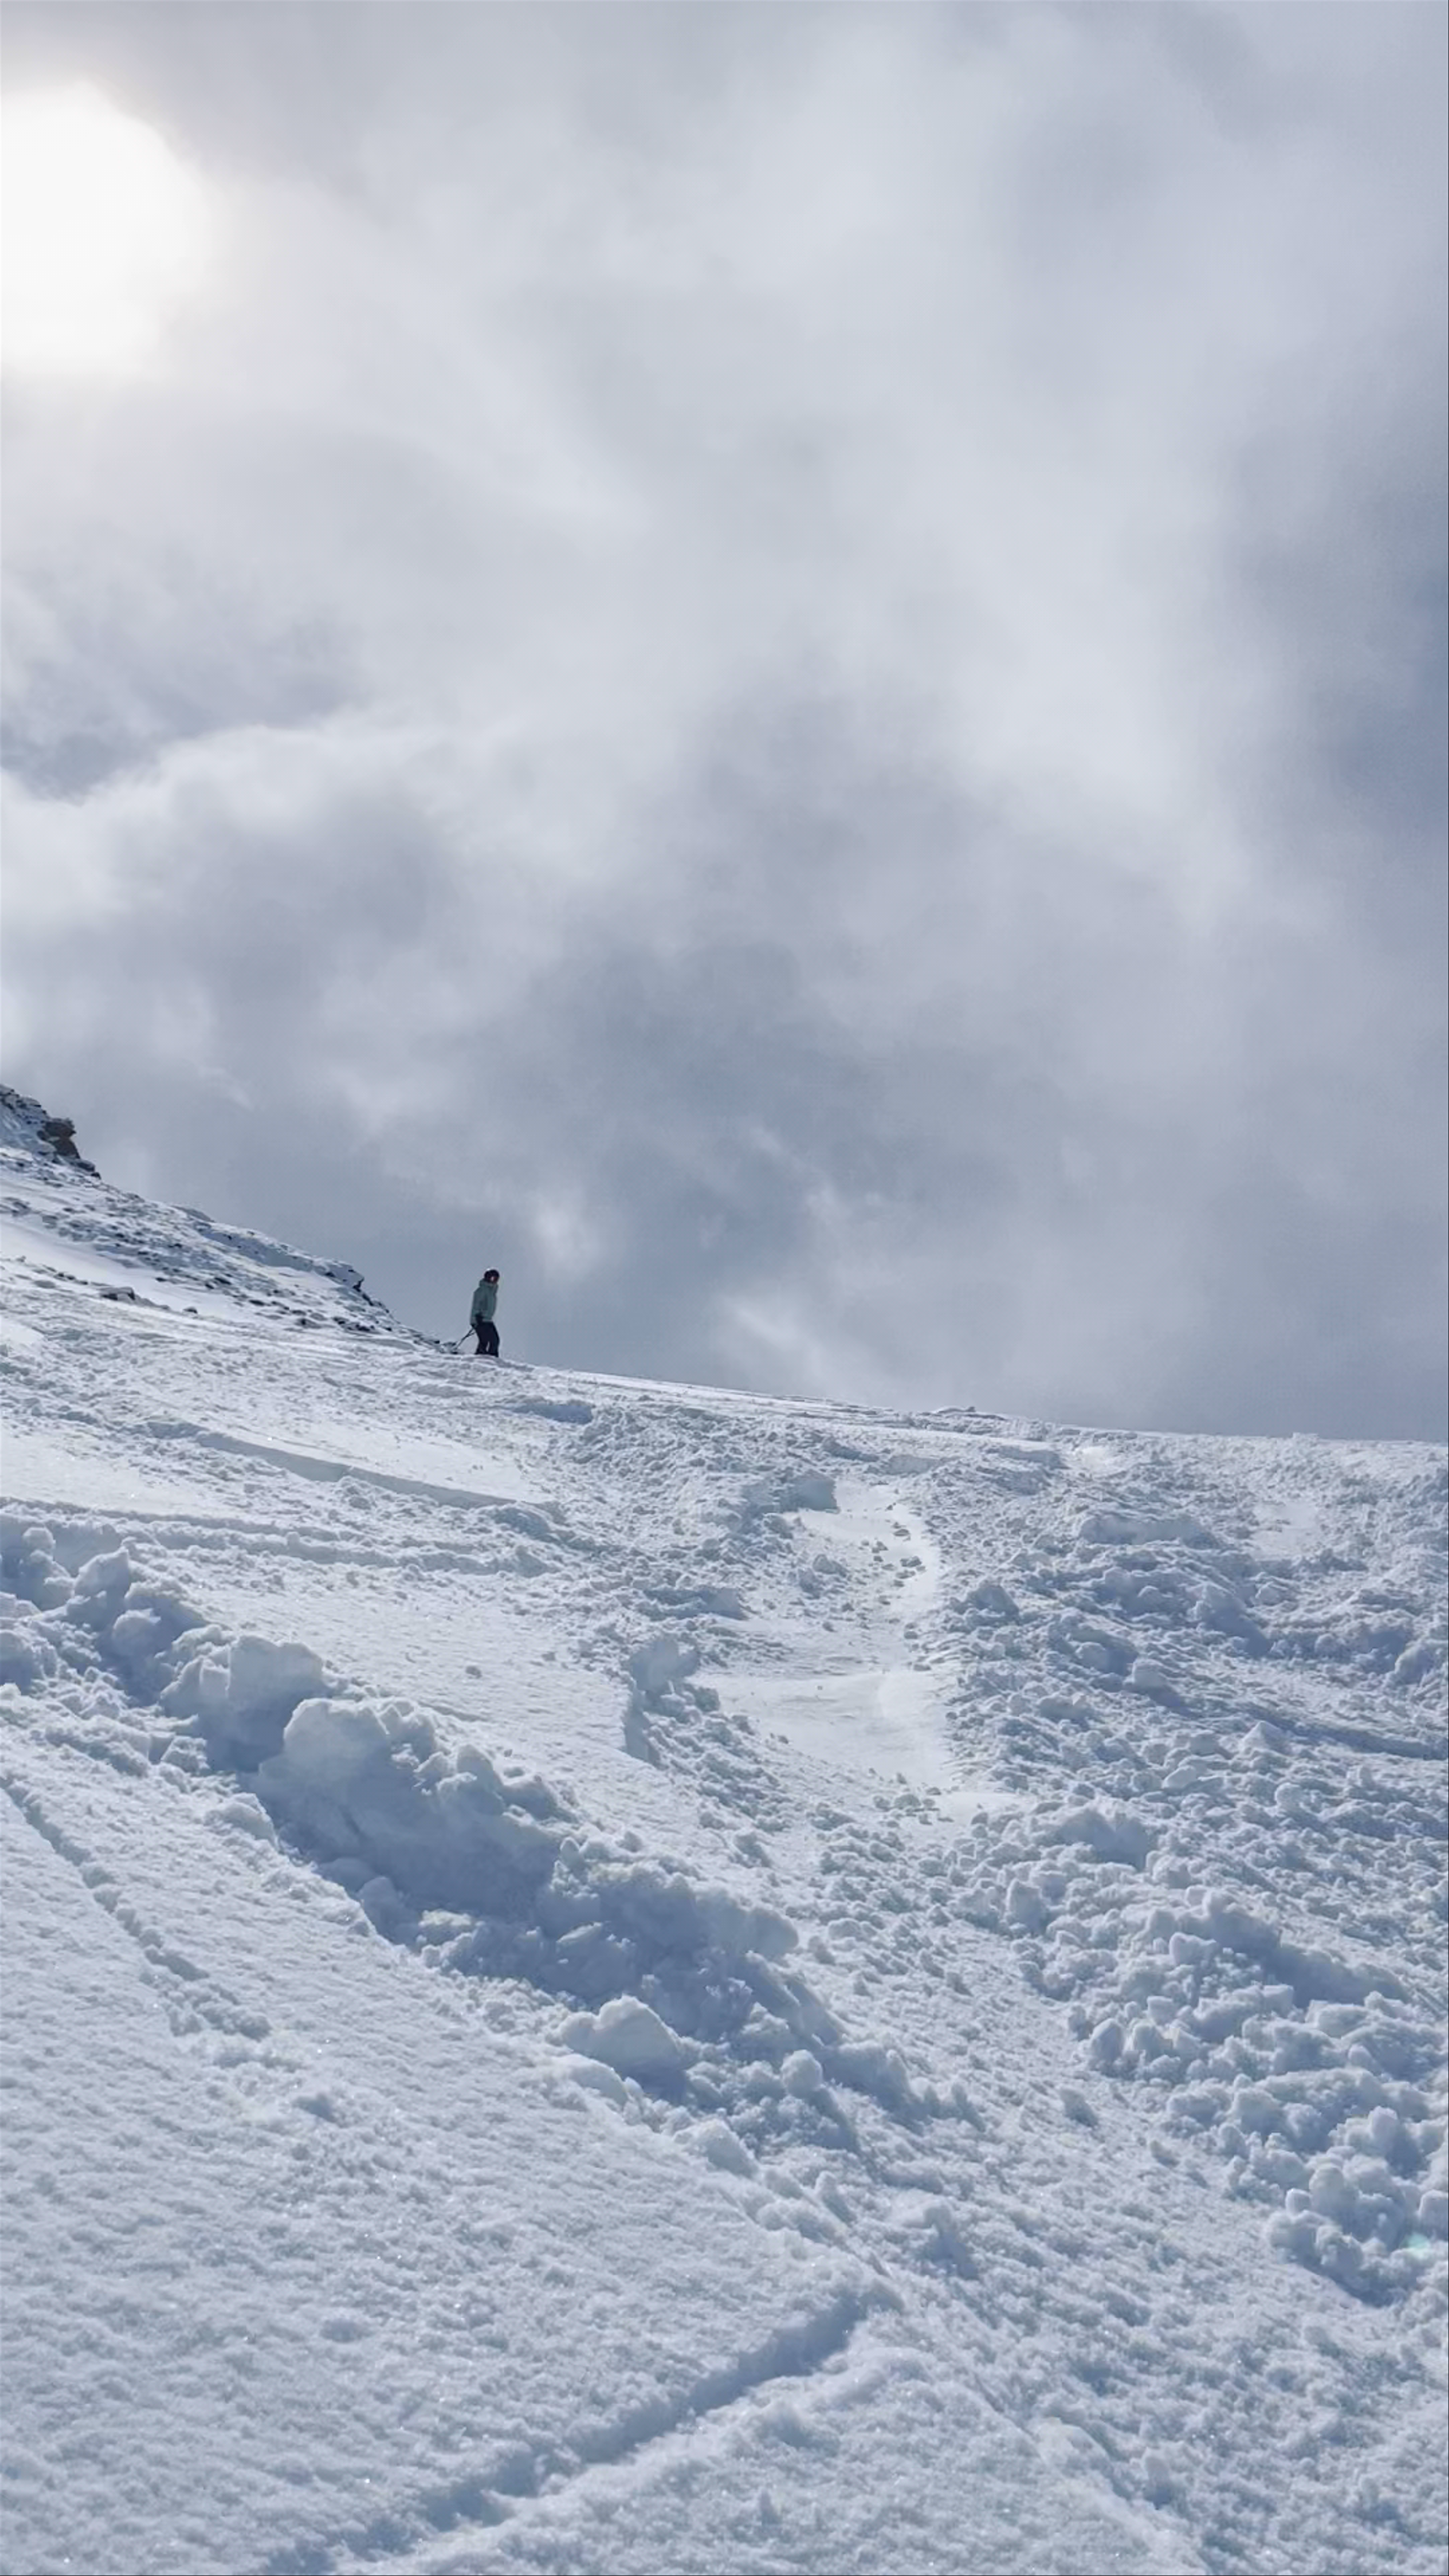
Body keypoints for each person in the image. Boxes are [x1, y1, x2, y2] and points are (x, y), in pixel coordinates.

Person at [470, 1268, 501, 1356]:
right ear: (488, 1278)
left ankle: (491, 1358)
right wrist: (477, 1317)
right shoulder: (482, 1290)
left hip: (488, 1320)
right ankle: (483, 1358)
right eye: (493, 1278)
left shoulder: (492, 1292)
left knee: (495, 1341)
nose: (494, 1281)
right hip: (481, 1319)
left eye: (496, 1279)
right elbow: (477, 1304)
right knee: (487, 1340)